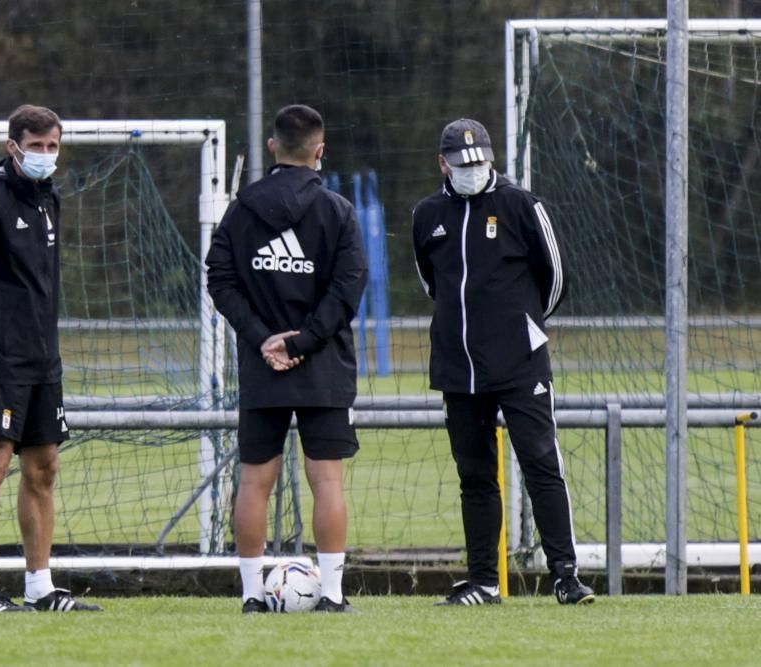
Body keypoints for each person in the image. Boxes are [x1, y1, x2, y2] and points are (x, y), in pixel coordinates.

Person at [411, 118, 595, 606]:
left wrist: (526, 328)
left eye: (479, 162)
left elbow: (555, 278)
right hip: (457, 368)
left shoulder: (522, 206)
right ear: (442, 164)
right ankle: (483, 582)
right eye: (461, 164)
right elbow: (433, 284)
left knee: (541, 463)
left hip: (520, 365)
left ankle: (566, 575)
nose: (471, 171)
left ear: (491, 158)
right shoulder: (426, 215)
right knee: (474, 474)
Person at [0, 104, 101, 613]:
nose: (46, 156)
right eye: (37, 147)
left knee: (44, 468)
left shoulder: (51, 199)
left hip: (42, 363)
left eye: (53, 147)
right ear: (13, 147)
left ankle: (40, 587)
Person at [206, 104, 368, 613]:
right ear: (320, 152)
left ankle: (253, 596)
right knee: (326, 479)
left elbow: (219, 278)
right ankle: (333, 595)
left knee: (254, 479)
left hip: (263, 365)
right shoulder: (338, 211)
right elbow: (348, 289)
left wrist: (264, 340)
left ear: (273, 147)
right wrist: (303, 343)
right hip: (323, 366)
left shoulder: (241, 208)